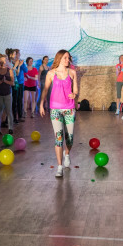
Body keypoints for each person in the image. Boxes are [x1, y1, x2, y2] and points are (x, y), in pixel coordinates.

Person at [40, 50, 78, 178]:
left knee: (70, 139)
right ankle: (60, 166)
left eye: (68, 58)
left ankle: (67, 154)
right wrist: (41, 104)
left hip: (69, 109)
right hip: (55, 109)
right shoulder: (51, 73)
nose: (68, 60)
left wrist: (74, 94)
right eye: (65, 58)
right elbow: (45, 89)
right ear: (59, 58)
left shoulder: (72, 72)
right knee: (59, 138)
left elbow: (75, 89)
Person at [0, 55, 14, 136]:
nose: (4, 62)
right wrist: (1, 81)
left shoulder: (10, 70)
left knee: (9, 111)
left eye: (5, 60)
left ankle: (10, 128)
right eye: (2, 61)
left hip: (8, 93)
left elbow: (12, 83)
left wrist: (5, 81)